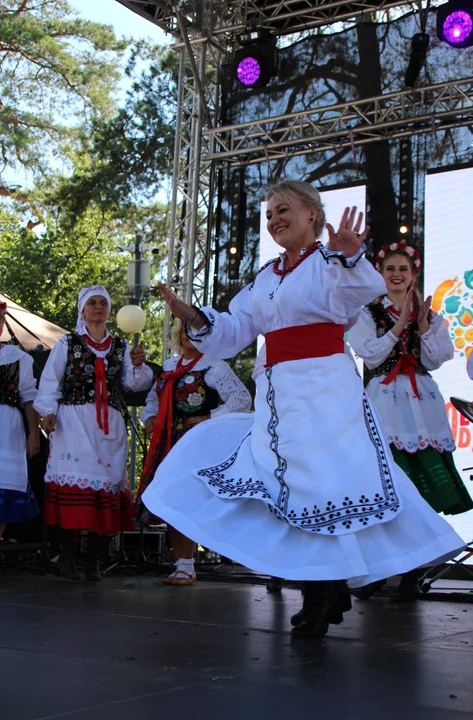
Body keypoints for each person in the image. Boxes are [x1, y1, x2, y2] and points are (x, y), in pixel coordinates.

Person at [142, 180, 464, 638]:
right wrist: (192, 315)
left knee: (324, 487)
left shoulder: (331, 264)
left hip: (325, 394)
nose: (274, 220)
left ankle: (323, 590)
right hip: (278, 397)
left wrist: (350, 254)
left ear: (313, 214)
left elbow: (360, 289)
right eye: (270, 213)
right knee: (282, 486)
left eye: (284, 210)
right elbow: (233, 332)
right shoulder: (265, 277)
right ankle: (325, 586)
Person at [348, 242, 473, 601]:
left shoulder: (429, 315)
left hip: (422, 405)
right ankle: (378, 568)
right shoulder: (367, 313)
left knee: (420, 491)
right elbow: (370, 355)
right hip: (384, 403)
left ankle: (412, 572)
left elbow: (435, 360)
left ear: (414, 274)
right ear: (380, 274)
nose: (397, 274)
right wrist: (399, 324)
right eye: (390, 269)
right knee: (383, 485)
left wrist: (421, 327)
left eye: (404, 268)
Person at [34, 286, 153, 580]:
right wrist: (48, 411)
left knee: (106, 485)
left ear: (109, 311)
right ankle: (68, 557)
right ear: (82, 310)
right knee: (80, 486)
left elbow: (134, 386)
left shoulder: (120, 346)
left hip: (109, 425)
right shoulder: (68, 343)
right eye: (92, 303)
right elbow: (50, 382)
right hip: (73, 423)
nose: (98, 307)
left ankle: (94, 562)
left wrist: (138, 367)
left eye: (103, 303)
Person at [136, 318, 252, 585]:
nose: (189, 335)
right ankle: (184, 566)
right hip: (169, 444)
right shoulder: (168, 367)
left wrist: (210, 417)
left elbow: (241, 398)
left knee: (199, 501)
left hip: (200, 446)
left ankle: (231, 553)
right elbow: (151, 400)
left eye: (197, 331)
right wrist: (150, 417)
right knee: (175, 500)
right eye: (185, 329)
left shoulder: (215, 366)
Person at [0, 301, 40, 540]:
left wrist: (33, 434)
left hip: (7, 430)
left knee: (2, 493)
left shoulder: (17, 357)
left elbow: (28, 397)